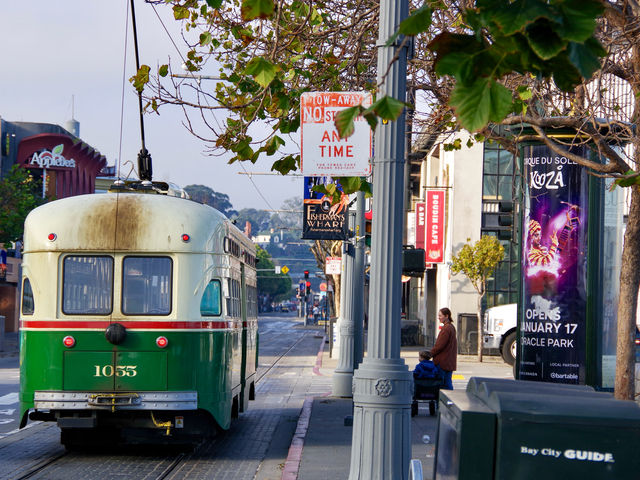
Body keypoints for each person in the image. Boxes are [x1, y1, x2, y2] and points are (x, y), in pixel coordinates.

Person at [430, 307, 457, 389]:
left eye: (440, 315)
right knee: (448, 382)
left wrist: (430, 354)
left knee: (442, 384)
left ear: (446, 316)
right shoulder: (451, 327)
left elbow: (439, 345)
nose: (438, 317)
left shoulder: (446, 329)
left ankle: (444, 400)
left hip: (442, 362)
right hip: (449, 362)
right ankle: (449, 400)